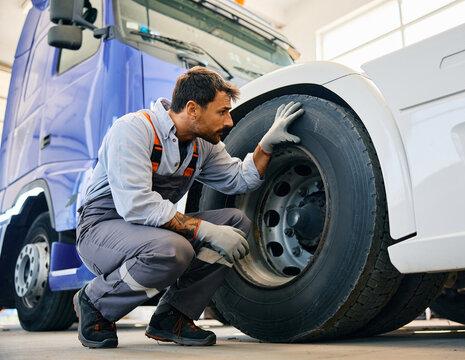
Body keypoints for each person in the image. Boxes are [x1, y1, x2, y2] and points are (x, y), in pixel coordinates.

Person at [74, 66, 304, 348]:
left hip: (147, 229)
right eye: (222, 112)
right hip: (101, 228)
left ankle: (173, 317)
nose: (229, 121)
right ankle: (95, 302)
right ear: (193, 109)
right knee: (172, 250)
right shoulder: (134, 129)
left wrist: (265, 146)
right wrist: (205, 231)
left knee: (235, 222)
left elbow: (238, 178)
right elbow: (136, 205)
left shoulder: (201, 146)